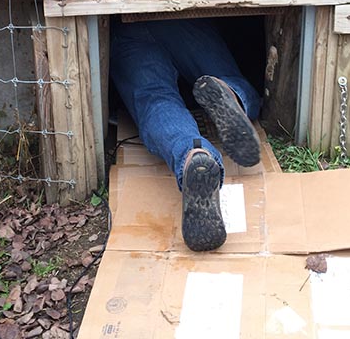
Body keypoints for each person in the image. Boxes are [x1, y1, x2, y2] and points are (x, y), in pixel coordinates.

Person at [110, 17, 262, 252]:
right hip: (181, 17)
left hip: (127, 25)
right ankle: (230, 94)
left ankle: (193, 154)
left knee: (156, 100)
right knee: (225, 74)